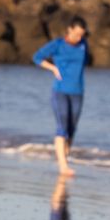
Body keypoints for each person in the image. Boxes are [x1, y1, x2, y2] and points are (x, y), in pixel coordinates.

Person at [33, 17, 88, 176]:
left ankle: (62, 158)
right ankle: (63, 166)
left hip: (78, 91)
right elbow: (37, 58)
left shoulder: (84, 45)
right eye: (77, 34)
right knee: (62, 127)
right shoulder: (57, 44)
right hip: (60, 91)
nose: (79, 38)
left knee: (72, 130)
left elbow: (85, 62)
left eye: (82, 35)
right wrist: (53, 68)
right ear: (69, 29)